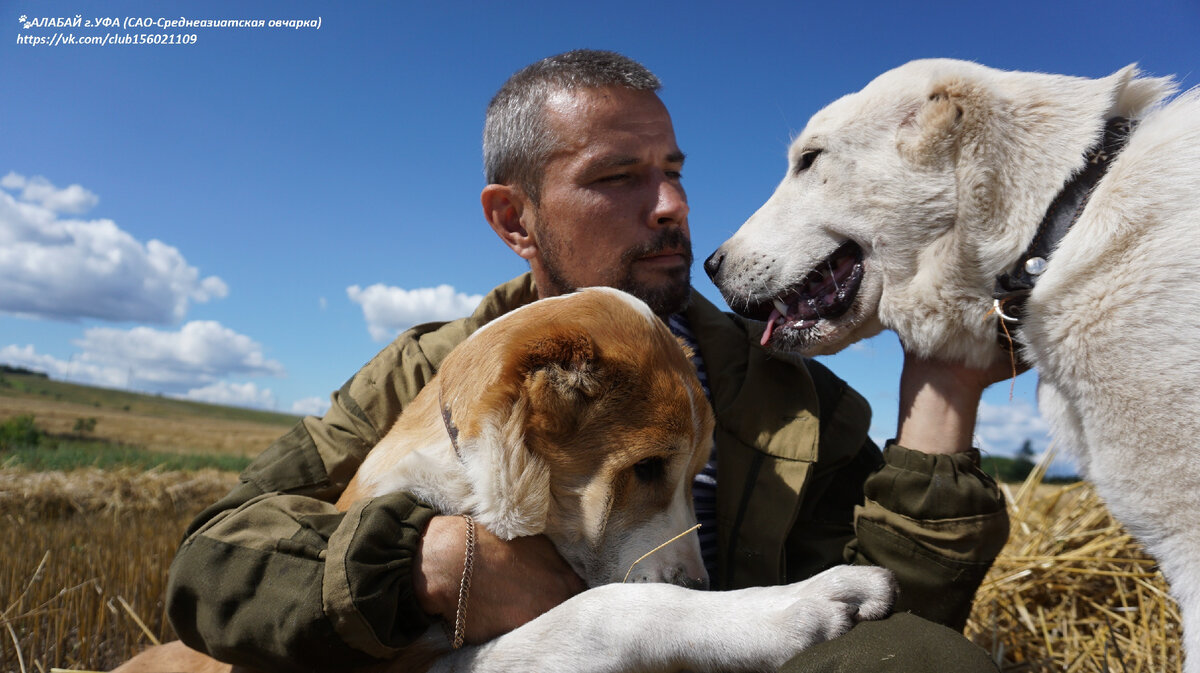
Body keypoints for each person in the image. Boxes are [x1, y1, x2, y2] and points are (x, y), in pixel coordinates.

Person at [166, 50, 1010, 672]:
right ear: (515, 218)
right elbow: (213, 563)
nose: (673, 205)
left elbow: (892, 622)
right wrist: (432, 565)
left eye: (675, 172)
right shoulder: (433, 372)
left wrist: (943, 388)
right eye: (618, 177)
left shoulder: (796, 399)